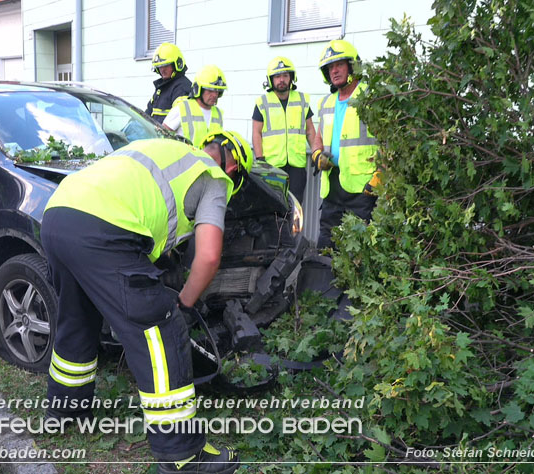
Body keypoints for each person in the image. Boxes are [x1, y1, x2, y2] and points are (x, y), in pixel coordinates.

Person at [40, 131, 252, 474]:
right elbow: (209, 257)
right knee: (160, 324)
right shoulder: (213, 176)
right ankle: (182, 454)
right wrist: (183, 302)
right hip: (102, 230)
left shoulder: (163, 150)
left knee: (77, 317)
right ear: (233, 168)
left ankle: (65, 413)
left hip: (58, 214)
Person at [311, 39, 381, 250]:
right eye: (330, 67)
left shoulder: (371, 97)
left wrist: (382, 174)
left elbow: (388, 140)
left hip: (363, 189)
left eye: (339, 65)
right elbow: (318, 137)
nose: (334, 71)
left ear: (352, 66)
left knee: (360, 250)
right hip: (332, 186)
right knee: (326, 245)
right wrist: (316, 155)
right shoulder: (326, 103)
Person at [252, 56, 316, 202]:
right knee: (273, 206)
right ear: (271, 80)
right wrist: (260, 160)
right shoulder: (262, 102)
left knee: (295, 206)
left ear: (292, 78)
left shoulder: (301, 100)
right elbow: (256, 133)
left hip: (296, 167)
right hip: (271, 167)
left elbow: (310, 130)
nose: (281, 80)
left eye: (285, 76)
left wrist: (315, 152)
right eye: (277, 76)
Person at [163, 65, 226, 147]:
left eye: (217, 91)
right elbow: (162, 135)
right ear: (198, 89)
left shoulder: (218, 114)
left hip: (207, 160)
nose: (215, 95)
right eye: (210, 90)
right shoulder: (182, 109)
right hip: (184, 159)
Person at [145, 42, 192, 124]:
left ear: (177, 64)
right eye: (160, 66)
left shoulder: (182, 88)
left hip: (167, 135)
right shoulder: (162, 87)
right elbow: (147, 113)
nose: (162, 70)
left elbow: (176, 122)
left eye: (166, 66)